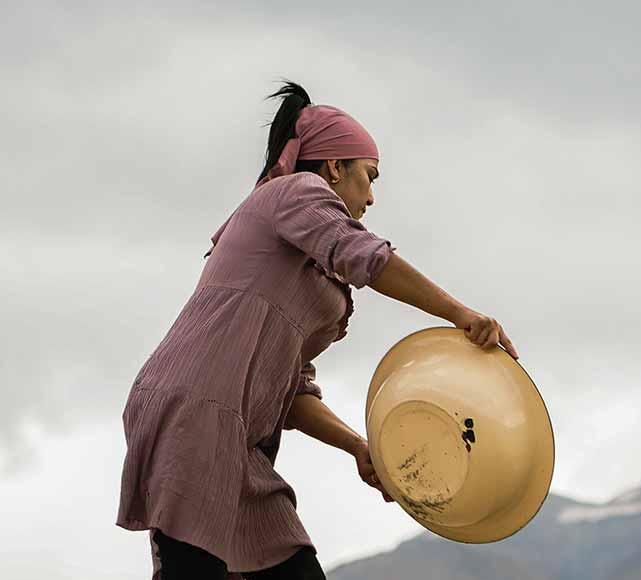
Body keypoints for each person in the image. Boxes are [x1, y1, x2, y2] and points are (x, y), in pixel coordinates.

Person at [115, 81, 518, 580]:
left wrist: (359, 447)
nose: (372, 196)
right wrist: (461, 315)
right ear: (333, 168)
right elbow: (369, 257)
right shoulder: (293, 193)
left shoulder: (307, 263)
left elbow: (290, 391)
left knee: (294, 569)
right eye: (368, 177)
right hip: (195, 409)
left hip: (239, 436)